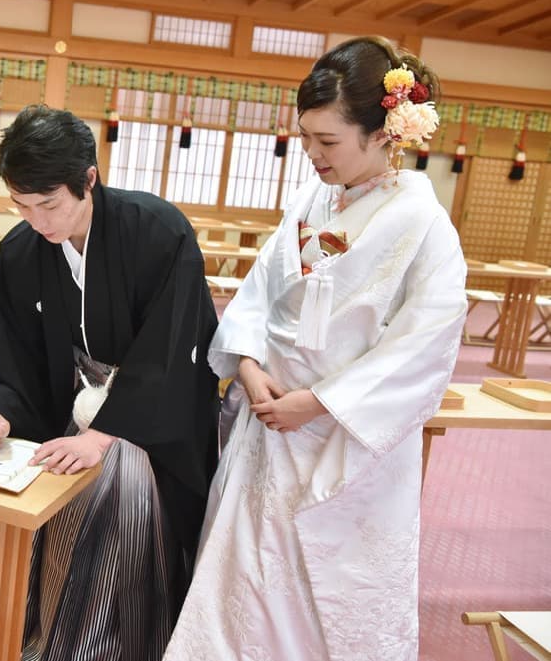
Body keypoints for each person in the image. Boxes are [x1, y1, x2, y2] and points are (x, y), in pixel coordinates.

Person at [164, 36, 467, 661]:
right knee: (244, 582)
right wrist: (247, 365)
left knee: (329, 588)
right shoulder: (307, 202)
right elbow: (259, 295)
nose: (310, 155)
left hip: (346, 436)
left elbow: (427, 340)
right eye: (305, 137)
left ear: (385, 132)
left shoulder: (421, 221)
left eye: (327, 142)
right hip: (271, 421)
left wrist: (321, 402)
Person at [0, 105, 220, 661]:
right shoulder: (21, 251)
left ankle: (112, 646)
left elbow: (171, 354)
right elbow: (6, 352)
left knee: (113, 485)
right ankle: (47, 635)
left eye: (49, 204)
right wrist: (1, 410)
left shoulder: (157, 232)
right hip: (68, 409)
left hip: (147, 424)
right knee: (28, 481)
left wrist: (102, 436)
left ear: (89, 179)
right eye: (22, 206)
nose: (38, 222)